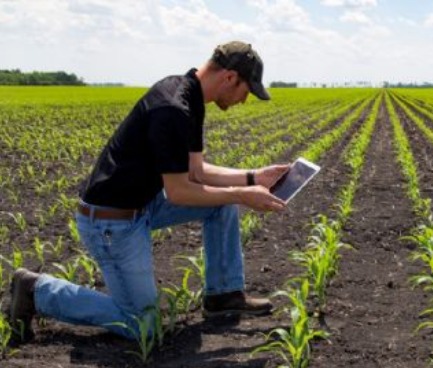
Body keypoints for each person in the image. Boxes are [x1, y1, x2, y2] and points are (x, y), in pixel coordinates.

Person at [7, 41, 290, 344]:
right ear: (231, 78)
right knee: (142, 325)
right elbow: (180, 191)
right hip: (111, 224)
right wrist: (241, 194)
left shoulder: (190, 96)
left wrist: (253, 177)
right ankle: (37, 291)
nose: (244, 100)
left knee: (220, 206)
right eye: (247, 91)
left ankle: (223, 295)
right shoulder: (173, 108)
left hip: (142, 205)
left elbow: (197, 171)